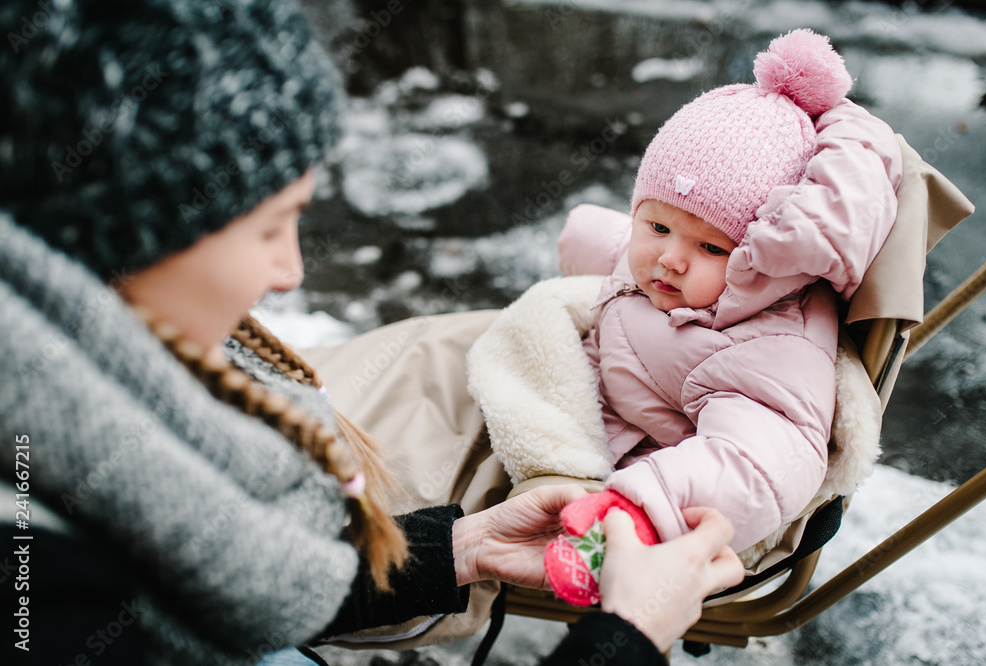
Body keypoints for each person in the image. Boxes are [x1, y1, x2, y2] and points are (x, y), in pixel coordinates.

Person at [0, 0, 743, 664]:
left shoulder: (70, 411)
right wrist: (627, 637)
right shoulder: (42, 597)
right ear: (128, 238)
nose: (289, 272)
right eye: (269, 226)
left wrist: (457, 549)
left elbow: (233, 574)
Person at [470, 30, 903, 606]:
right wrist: (586, 237)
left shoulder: (772, 346)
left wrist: (638, 511)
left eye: (712, 248)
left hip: (646, 483)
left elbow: (755, 465)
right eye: (656, 226)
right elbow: (617, 249)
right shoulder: (672, 270)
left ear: (763, 259)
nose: (670, 258)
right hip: (590, 406)